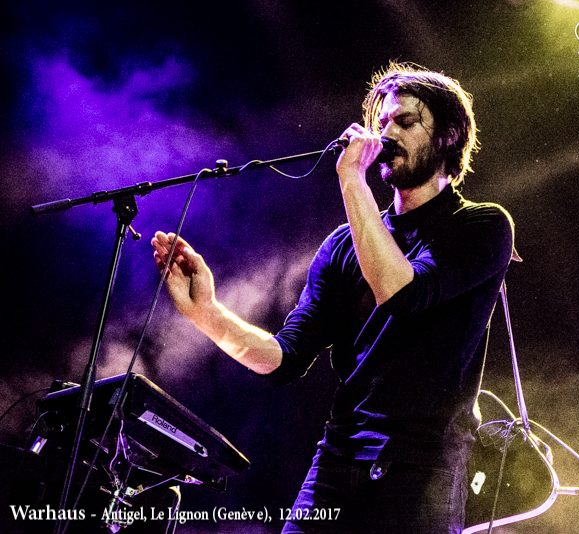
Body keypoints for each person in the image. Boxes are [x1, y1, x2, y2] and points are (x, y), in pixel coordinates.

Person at [151, 62, 514, 533]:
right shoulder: (344, 245)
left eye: (405, 122)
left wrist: (351, 181)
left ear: (448, 136)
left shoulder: (481, 225)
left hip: (421, 471)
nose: (387, 134)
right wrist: (206, 312)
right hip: (336, 463)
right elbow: (283, 359)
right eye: (382, 123)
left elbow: (402, 292)